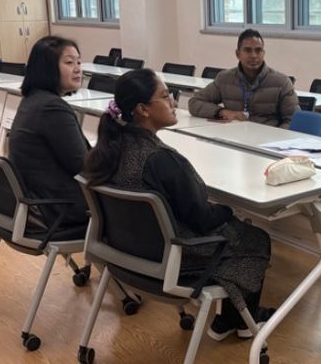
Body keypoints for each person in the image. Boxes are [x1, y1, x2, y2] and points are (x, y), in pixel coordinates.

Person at [83, 68, 272, 341]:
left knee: (234, 228)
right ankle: (241, 321)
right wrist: (227, 209)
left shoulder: (108, 148)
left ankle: (231, 319)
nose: (174, 101)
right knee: (255, 237)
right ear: (143, 109)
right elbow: (203, 219)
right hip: (172, 259)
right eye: (165, 96)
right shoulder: (160, 159)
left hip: (124, 253)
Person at [8, 35, 90, 230]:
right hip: (57, 211)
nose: (77, 68)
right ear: (47, 68)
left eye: (79, 62)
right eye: (69, 62)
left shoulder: (33, 100)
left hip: (35, 203)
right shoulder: (51, 108)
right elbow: (83, 166)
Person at [188, 28, 298, 128]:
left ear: (263, 53)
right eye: (248, 50)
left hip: (268, 139)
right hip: (234, 137)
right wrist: (222, 112)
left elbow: (293, 119)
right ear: (238, 54)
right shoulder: (225, 79)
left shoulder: (281, 83)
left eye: (258, 50)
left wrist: (277, 138)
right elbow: (194, 103)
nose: (254, 55)